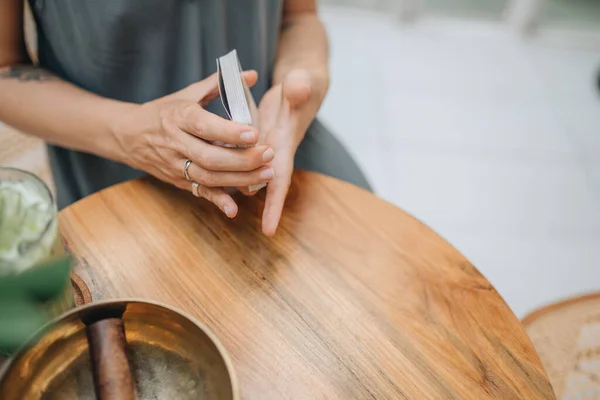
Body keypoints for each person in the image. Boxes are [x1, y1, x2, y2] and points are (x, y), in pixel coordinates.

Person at [0, 0, 371, 236]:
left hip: (278, 151)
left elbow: (300, 17)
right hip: (119, 178)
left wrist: (304, 77)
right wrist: (132, 134)